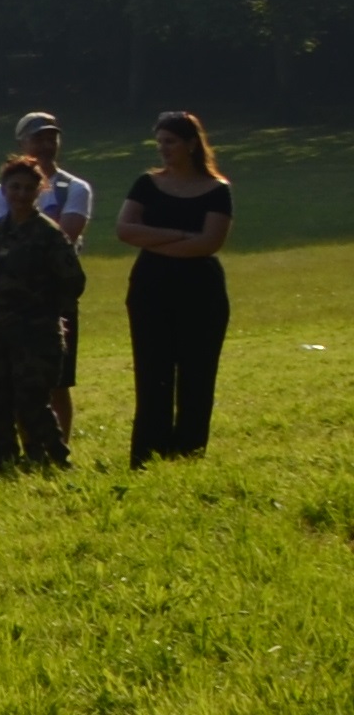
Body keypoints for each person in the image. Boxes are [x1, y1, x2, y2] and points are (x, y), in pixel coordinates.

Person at [118, 111, 234, 462]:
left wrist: (153, 241)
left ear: (191, 144)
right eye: (160, 143)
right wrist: (180, 235)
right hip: (151, 289)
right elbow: (125, 230)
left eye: (170, 142)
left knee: (197, 374)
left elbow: (209, 243)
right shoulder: (146, 183)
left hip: (201, 292)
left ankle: (187, 452)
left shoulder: (217, 190)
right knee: (152, 373)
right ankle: (148, 454)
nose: (163, 149)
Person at [0, 163, 83, 473]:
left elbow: (73, 283)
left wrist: (44, 314)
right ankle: (2, 458)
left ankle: (51, 459)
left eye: (28, 188)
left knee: (32, 402)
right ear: (4, 190)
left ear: (39, 191)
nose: (20, 194)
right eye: (14, 187)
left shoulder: (49, 234)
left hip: (35, 332)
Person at [0, 114, 94, 406]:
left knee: (57, 380)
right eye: (38, 138)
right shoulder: (2, 190)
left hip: (53, 296)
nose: (46, 145)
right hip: (11, 298)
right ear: (22, 142)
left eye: (52, 138)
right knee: (12, 376)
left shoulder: (75, 188)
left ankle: (57, 444)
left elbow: (66, 235)